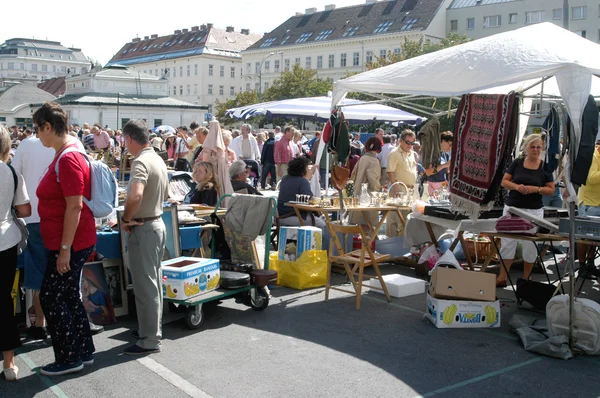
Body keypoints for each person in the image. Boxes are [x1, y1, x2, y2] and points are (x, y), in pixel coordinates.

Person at [34, 102, 96, 376]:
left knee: (50, 296)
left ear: (48, 127)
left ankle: (69, 356)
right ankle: (81, 350)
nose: (37, 135)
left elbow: (75, 206)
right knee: (67, 294)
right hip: (71, 240)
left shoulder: (68, 157)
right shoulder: (67, 153)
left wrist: (64, 249)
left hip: (71, 241)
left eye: (38, 129)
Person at [119, 119, 168, 355]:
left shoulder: (141, 161)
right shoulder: (157, 158)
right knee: (153, 283)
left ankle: (150, 338)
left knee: (146, 286)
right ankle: (151, 331)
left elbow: (135, 195)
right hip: (156, 222)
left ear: (129, 139)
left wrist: (126, 218)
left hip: (146, 227)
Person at [11, 125, 54, 340]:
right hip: (54, 216)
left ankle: (40, 323)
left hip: (32, 215)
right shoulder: (64, 143)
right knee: (57, 271)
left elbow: (14, 175)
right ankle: (51, 321)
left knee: (39, 272)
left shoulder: (27, 144)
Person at [496, 134, 555, 287]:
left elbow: (551, 190)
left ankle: (526, 278)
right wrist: (516, 187)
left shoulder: (545, 166)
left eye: (538, 147)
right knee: (508, 242)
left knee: (530, 245)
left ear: (541, 149)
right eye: (532, 146)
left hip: (533, 210)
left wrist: (536, 189)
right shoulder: (517, 163)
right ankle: (502, 277)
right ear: (526, 147)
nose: (535, 150)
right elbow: (504, 181)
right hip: (513, 208)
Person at [0, 125, 31, 382]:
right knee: (4, 302)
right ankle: (9, 364)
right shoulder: (10, 172)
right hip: (4, 242)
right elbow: (25, 209)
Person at [386, 129, 419, 236]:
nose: (410, 145)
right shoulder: (394, 153)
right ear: (400, 141)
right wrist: (396, 188)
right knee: (394, 220)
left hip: (410, 191)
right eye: (407, 142)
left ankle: (403, 246)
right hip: (398, 189)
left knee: (407, 220)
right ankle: (391, 245)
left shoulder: (413, 154)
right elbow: (390, 171)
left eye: (412, 143)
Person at [577, 143, 600, 277]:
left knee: (595, 237)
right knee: (584, 237)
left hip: (597, 202)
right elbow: (591, 179)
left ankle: (590, 264)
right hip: (588, 203)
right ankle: (582, 266)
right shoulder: (592, 157)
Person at [349, 137, 382, 227]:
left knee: (356, 229)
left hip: (356, 195)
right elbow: (373, 180)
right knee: (368, 228)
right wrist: (379, 190)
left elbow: (352, 175)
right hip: (368, 198)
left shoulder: (362, 158)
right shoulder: (374, 161)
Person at [424, 131, 453, 196]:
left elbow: (446, 171)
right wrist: (444, 165)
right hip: (431, 188)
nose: (451, 147)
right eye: (450, 144)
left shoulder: (445, 154)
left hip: (443, 187)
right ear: (443, 141)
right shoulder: (431, 153)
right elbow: (428, 172)